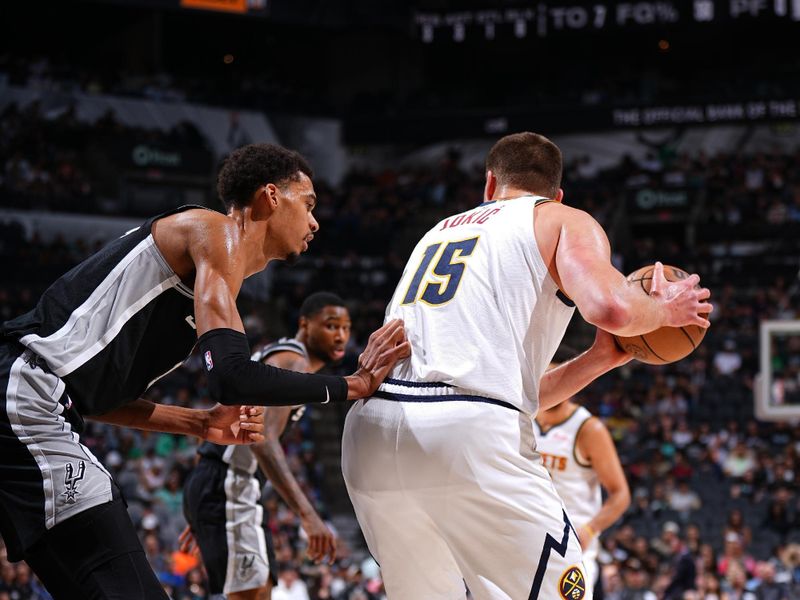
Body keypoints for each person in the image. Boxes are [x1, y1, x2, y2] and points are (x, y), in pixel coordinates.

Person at [0, 143, 409, 599]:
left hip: (34, 399)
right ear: (271, 196)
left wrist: (199, 423)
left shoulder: (208, 282)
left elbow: (98, 400)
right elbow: (230, 377)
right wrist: (354, 385)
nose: (315, 222)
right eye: (308, 204)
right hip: (24, 390)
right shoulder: (216, 232)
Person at [341, 132, 712, 600]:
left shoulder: (436, 232)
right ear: (556, 194)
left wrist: (599, 358)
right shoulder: (562, 219)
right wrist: (664, 312)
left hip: (371, 434)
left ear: (490, 183)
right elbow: (611, 310)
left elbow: (503, 392)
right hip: (466, 435)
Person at [181, 291, 351, 600]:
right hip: (229, 484)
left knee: (258, 591)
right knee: (252, 594)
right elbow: (262, 439)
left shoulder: (278, 354)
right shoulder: (294, 361)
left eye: (346, 328)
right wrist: (308, 515)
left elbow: (218, 424)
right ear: (305, 324)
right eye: (331, 326)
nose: (340, 336)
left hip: (220, 484)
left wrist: (199, 503)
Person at [534, 349, 632, 597]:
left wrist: (590, 530)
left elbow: (620, 495)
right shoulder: (523, 420)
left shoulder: (588, 429)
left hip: (572, 544)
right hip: (528, 535)